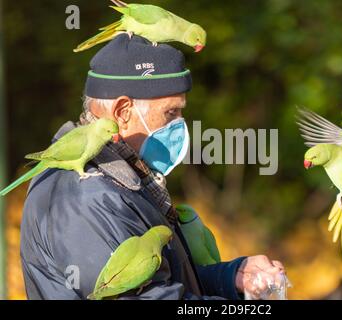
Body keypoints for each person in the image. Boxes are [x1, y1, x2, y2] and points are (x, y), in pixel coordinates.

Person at [20, 34, 285, 300]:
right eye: (171, 113)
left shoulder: (123, 180)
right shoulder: (87, 199)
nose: (180, 125)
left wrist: (230, 278)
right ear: (123, 112)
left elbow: (156, 284)